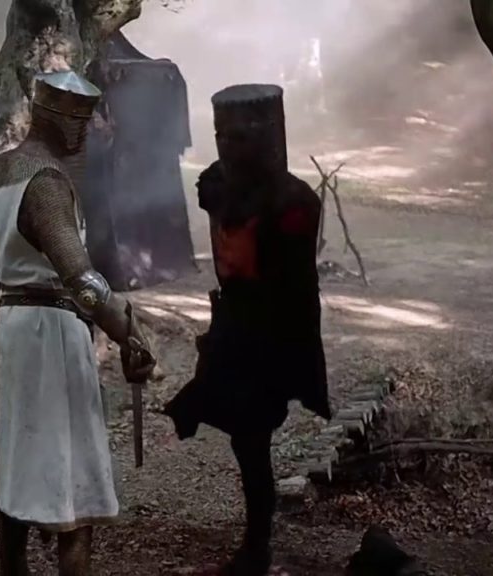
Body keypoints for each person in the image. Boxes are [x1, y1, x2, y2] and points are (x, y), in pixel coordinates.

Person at [0, 70, 156, 576]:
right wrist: (128, 330)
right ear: (64, 121)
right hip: (50, 335)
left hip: (17, 327)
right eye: (84, 120)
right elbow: (83, 281)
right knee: (74, 478)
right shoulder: (47, 182)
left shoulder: (3, 169)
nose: (88, 129)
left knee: (18, 460)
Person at [163, 84, 331, 576]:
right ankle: (255, 546)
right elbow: (220, 213)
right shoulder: (218, 186)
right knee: (243, 436)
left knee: (253, 437)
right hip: (235, 326)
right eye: (223, 137)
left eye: (240, 138)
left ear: (267, 136)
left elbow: (289, 287)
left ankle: (257, 551)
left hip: (271, 336)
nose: (229, 148)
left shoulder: (294, 202)